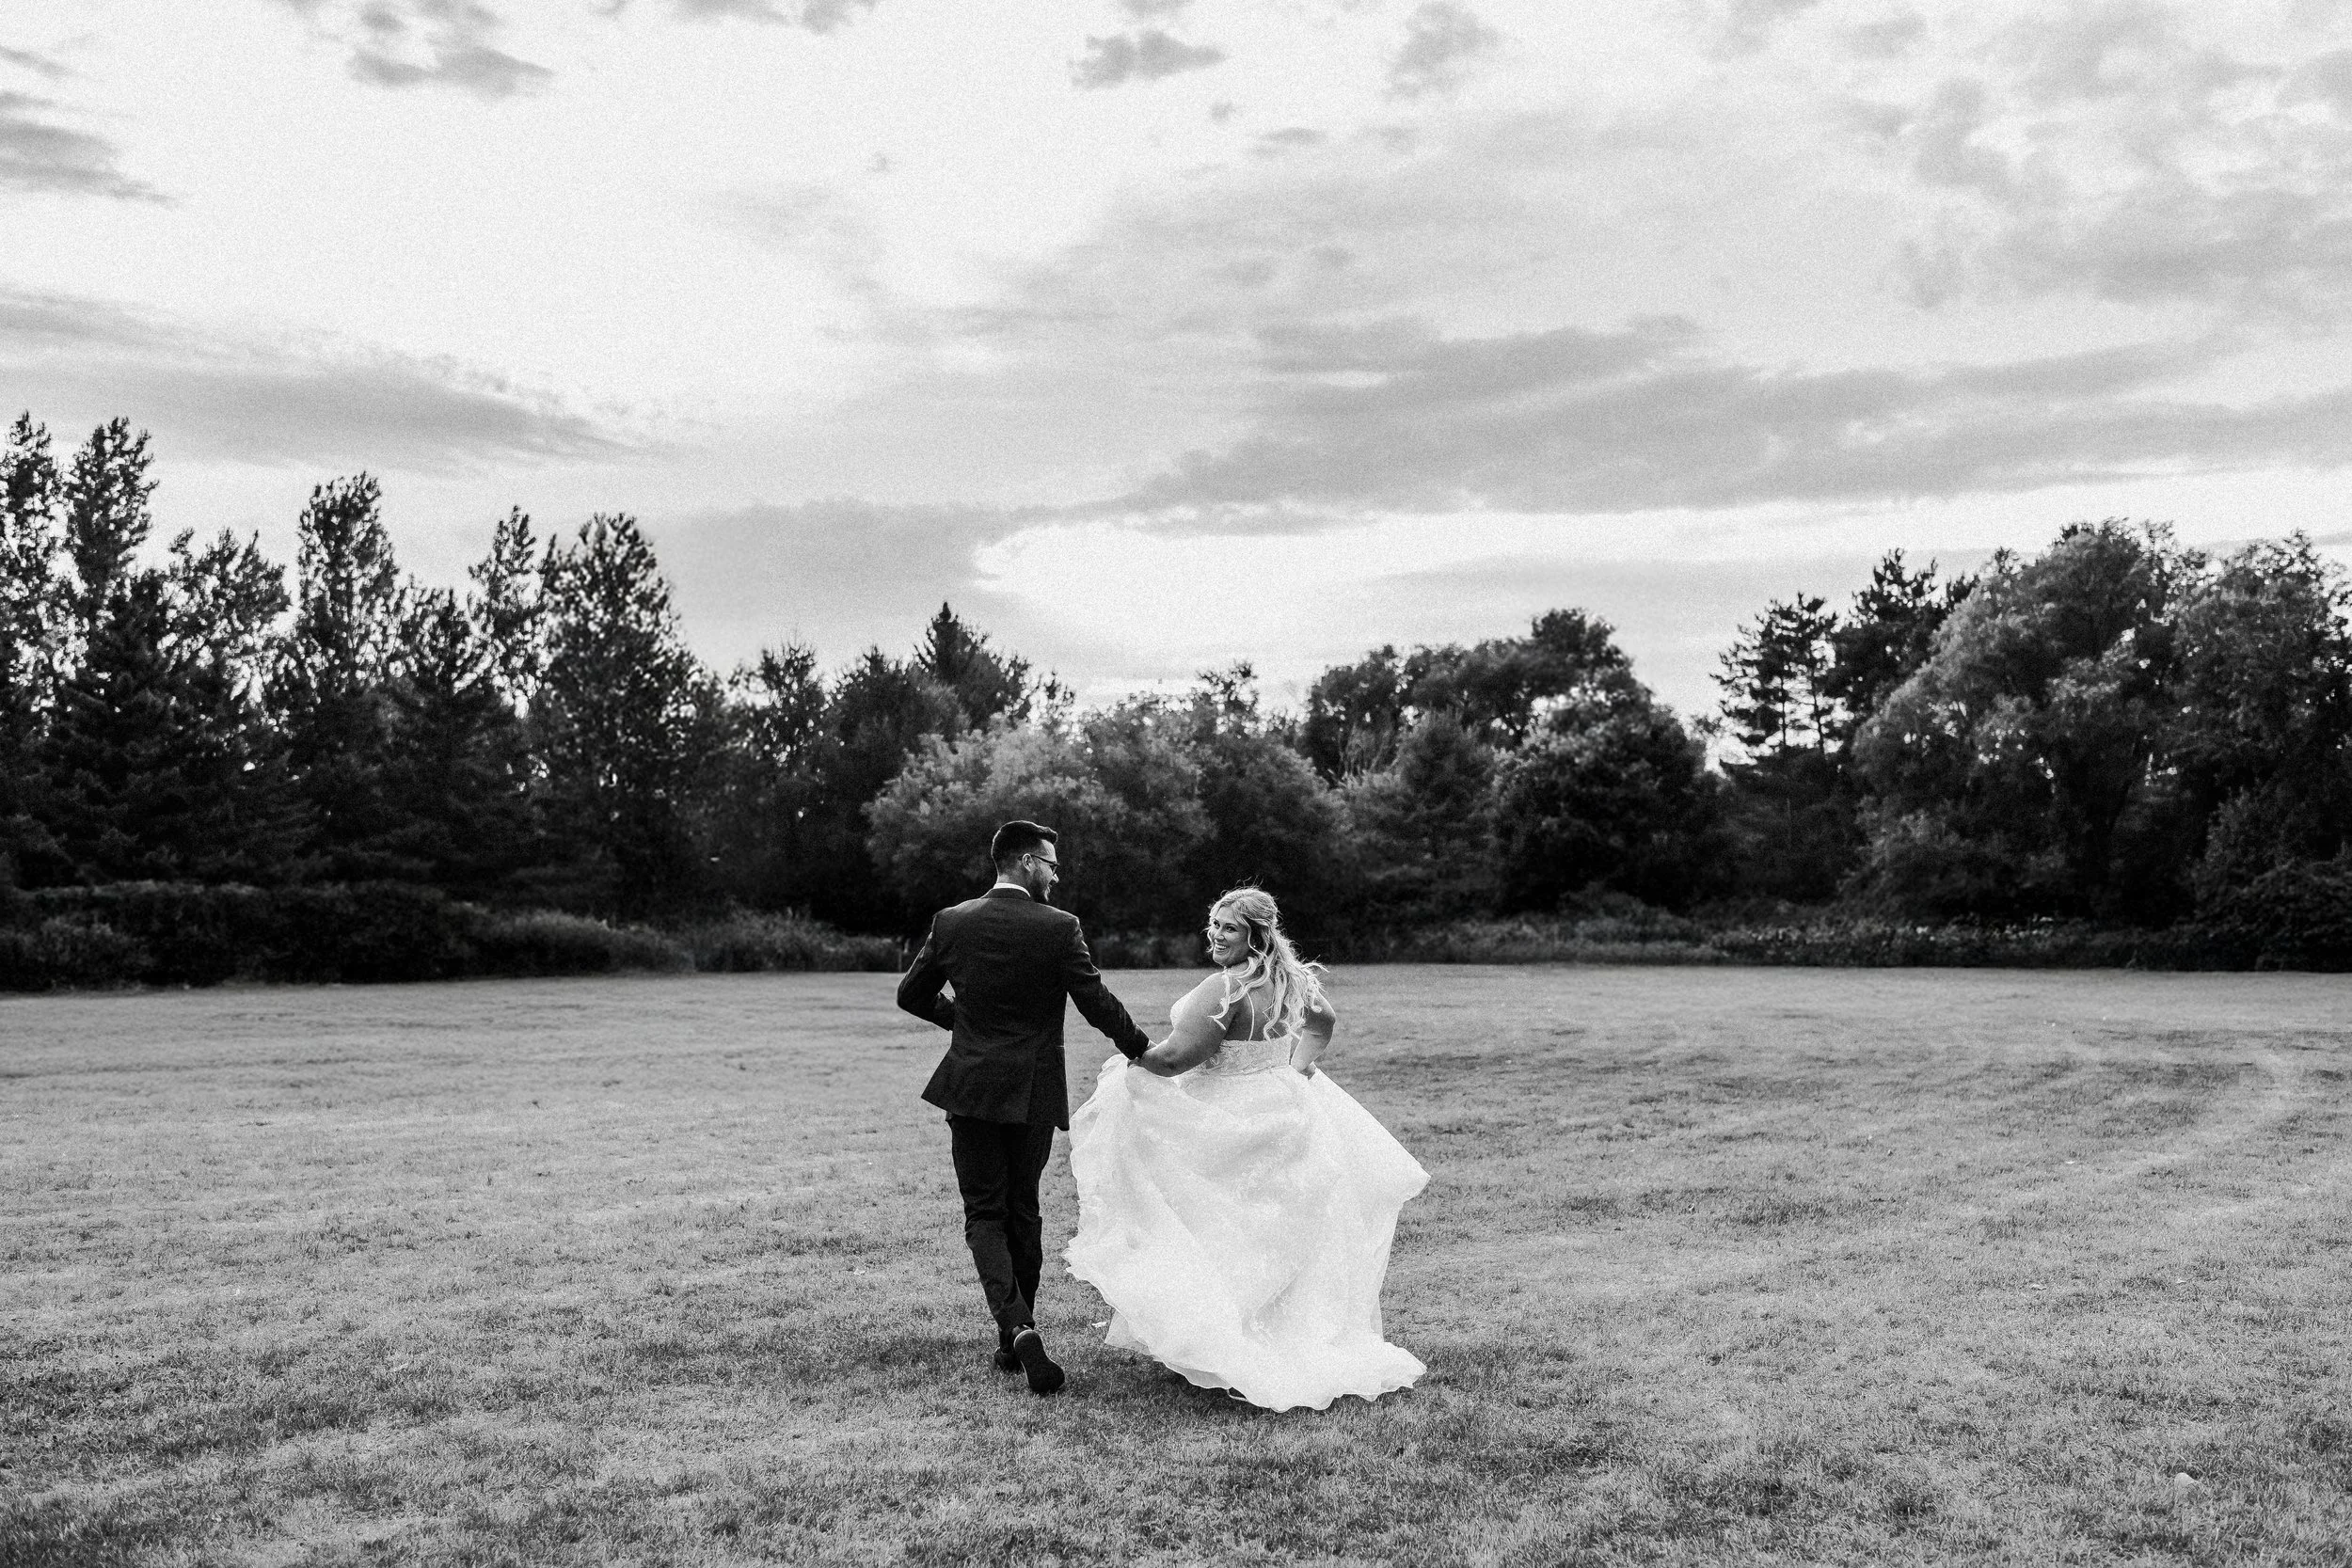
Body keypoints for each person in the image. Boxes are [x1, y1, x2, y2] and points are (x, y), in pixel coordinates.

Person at [1064, 885, 1427, 1412]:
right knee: (1273, 1229)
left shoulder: (1226, 990)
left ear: (1255, 935)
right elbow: (1324, 1021)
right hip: (1285, 1110)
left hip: (1226, 1117)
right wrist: (1295, 1066)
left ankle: (1225, 1344)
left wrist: (1130, 1058)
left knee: (1217, 1226)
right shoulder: (1292, 981)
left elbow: (1173, 1061)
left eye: (1228, 927)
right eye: (1213, 923)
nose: (1215, 934)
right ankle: (1271, 1333)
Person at [897, 819, 1152, 1395]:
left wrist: (963, 1024)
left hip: (971, 1087)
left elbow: (911, 994)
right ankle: (1017, 1330)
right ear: (1027, 862)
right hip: (1034, 1090)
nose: (1056, 877)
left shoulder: (953, 921)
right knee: (1023, 1208)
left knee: (984, 1213)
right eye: (1052, 865)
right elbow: (1095, 1000)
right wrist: (1141, 1048)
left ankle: (1016, 1330)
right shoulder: (1059, 927)